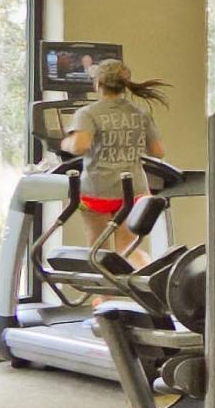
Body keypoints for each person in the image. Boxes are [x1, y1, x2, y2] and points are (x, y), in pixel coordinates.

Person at [61, 58, 172, 262]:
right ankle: (142, 279)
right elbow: (158, 151)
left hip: (97, 191)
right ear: (125, 85)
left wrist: (64, 142)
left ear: (98, 84)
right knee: (127, 248)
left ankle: (102, 284)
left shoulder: (88, 113)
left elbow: (79, 146)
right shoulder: (140, 113)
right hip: (133, 191)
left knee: (98, 247)